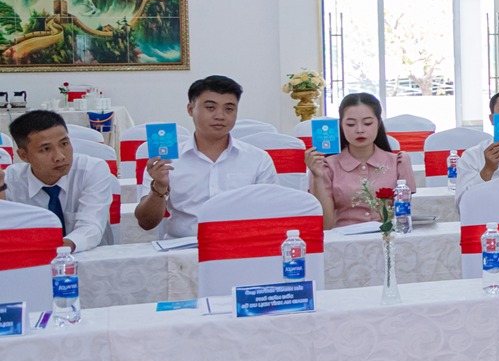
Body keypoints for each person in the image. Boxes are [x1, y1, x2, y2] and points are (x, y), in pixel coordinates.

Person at [135, 75, 278, 238]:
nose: (220, 116)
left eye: (229, 109)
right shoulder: (166, 160)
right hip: (182, 247)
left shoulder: (258, 159)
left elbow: (271, 213)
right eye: (210, 108)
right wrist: (159, 188)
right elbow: (146, 223)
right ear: (190, 109)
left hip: (239, 245)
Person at [5, 109, 115, 252]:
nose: (60, 156)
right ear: (24, 156)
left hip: (90, 257)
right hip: (33, 260)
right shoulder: (10, 181)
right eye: (46, 149)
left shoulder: (92, 169)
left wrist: (56, 250)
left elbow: (91, 226)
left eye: (64, 144)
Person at [306, 92, 416, 228]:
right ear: (341, 125)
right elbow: (325, 226)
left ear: (379, 123)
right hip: (343, 239)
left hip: (387, 237)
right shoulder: (325, 166)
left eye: (367, 123)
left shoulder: (398, 162)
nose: (359, 130)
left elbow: (404, 217)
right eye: (351, 124)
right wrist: (318, 178)